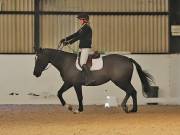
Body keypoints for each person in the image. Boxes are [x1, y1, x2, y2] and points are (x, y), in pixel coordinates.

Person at [60, 13, 95, 85]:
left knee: (82, 63)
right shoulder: (83, 28)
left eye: (81, 20)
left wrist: (68, 42)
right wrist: (65, 39)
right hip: (82, 48)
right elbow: (75, 34)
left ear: (84, 20)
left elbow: (79, 37)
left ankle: (90, 78)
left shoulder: (87, 28)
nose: (80, 21)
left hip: (85, 48)